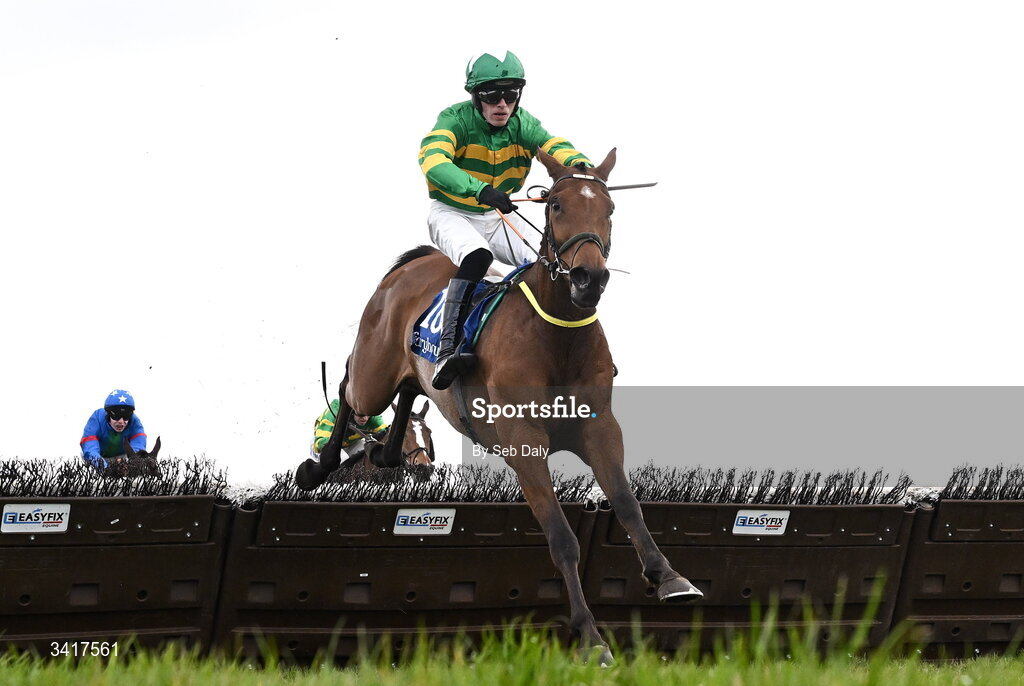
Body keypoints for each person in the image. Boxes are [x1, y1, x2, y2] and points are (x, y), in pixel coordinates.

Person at [419, 50, 591, 390]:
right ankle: (447, 349)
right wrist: (479, 190)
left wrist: (582, 171)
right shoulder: (454, 120)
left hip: (497, 215)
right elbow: (433, 160)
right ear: (475, 97)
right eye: (491, 95)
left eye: (510, 94)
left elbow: (554, 146)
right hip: (452, 212)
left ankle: (579, 348)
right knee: (477, 256)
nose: (502, 104)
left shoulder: (523, 124)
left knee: (552, 264)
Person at [80, 389, 147, 469]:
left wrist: (128, 463)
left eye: (126, 416)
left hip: (123, 459)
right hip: (99, 457)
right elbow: (90, 449)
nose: (121, 422)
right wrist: (105, 468)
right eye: (117, 416)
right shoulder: (96, 418)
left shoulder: (135, 421)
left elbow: (139, 446)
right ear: (107, 414)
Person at [311, 400, 389, 460]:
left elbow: (385, 434)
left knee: (366, 456)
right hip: (326, 445)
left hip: (351, 444)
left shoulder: (373, 418)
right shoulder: (334, 412)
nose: (365, 418)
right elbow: (320, 443)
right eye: (360, 413)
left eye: (368, 413)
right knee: (342, 459)